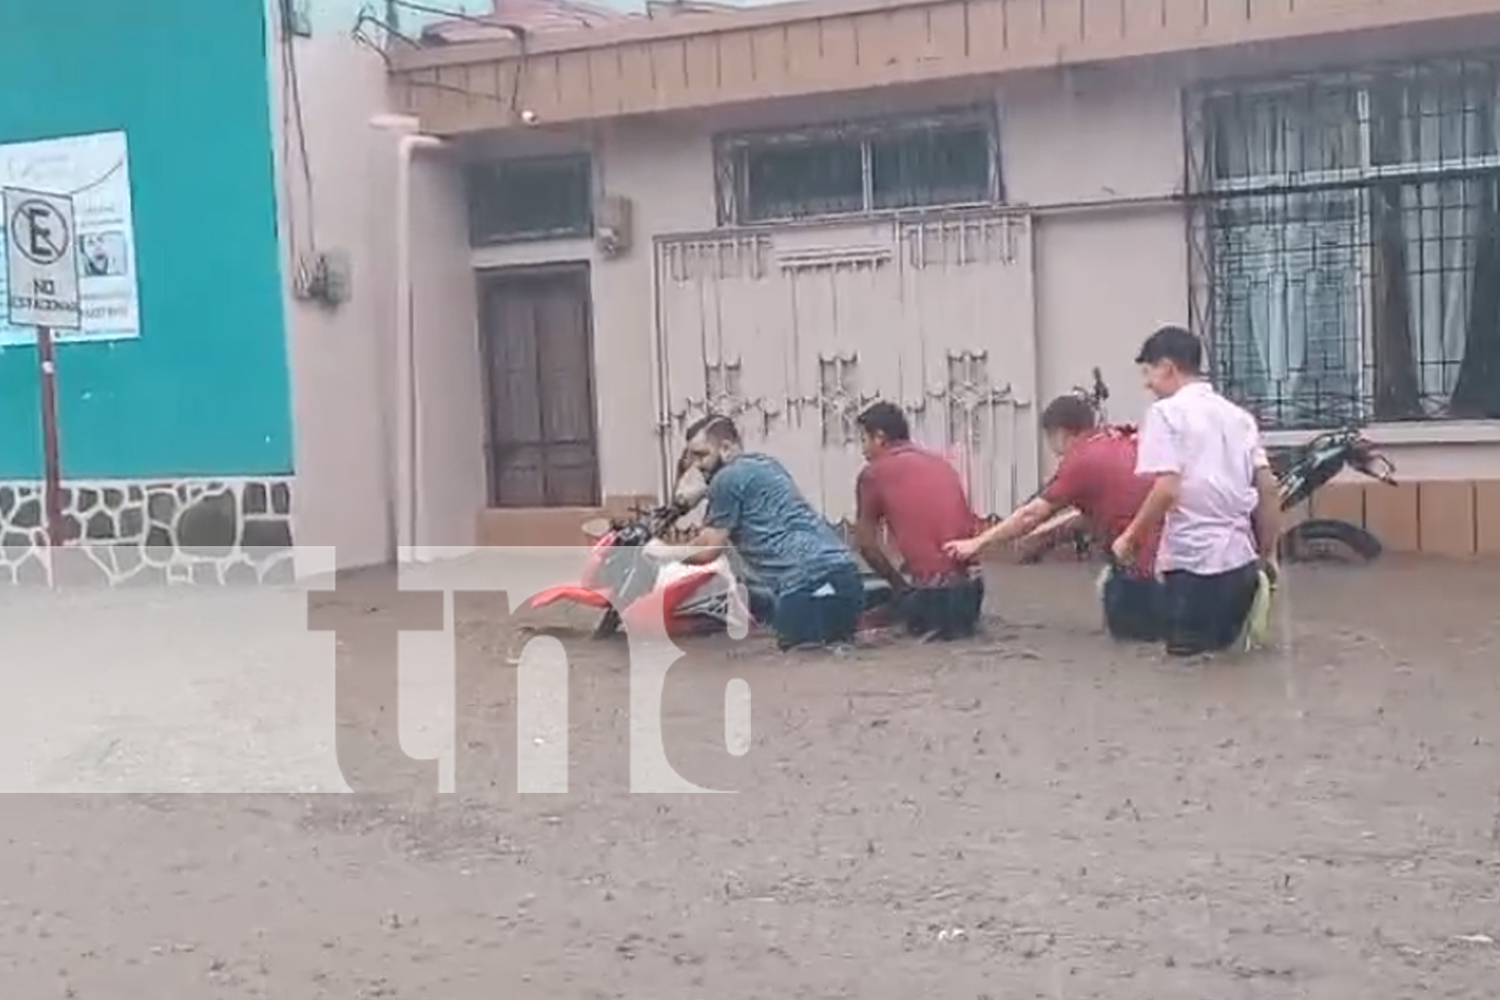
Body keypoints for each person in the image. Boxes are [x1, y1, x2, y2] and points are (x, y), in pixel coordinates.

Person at [1110, 325, 1279, 657]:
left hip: (1192, 567)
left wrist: (1130, 539)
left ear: (1168, 368)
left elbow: (1166, 490)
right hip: (1240, 566)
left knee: (1184, 674)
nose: (1147, 384)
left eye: (1149, 373)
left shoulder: (1165, 414)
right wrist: (1268, 555)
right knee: (1229, 670)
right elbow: (1269, 489)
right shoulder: (1239, 417)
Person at [943, 393, 1163, 641]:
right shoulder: (1118, 440)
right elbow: (1107, 508)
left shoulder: (1081, 460)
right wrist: (1044, 534)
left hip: (1142, 570)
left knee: (1126, 632)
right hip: (1171, 562)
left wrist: (977, 543)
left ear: (1061, 433)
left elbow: (1031, 514)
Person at [674, 414, 864, 650]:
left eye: (702, 455)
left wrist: (660, 552)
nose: (697, 465)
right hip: (844, 574)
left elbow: (708, 549)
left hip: (804, 585)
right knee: (834, 658)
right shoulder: (765, 464)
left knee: (798, 667)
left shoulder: (725, 479)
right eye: (691, 457)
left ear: (725, 448)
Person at [853, 402, 983, 640]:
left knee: (863, 629)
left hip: (934, 593)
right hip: (973, 587)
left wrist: (900, 587)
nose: (862, 450)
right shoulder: (938, 463)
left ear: (880, 438)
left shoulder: (873, 473)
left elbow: (866, 546)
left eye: (863, 440)